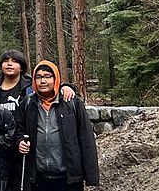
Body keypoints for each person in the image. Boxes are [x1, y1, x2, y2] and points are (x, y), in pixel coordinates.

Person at [0, 52, 76, 188]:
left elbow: (49, 86)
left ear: (22, 66)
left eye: (14, 61)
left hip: (25, 153)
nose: (9, 64)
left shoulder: (30, 87)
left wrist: (66, 87)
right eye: (6, 61)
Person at [15, 61, 99, 191]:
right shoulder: (28, 104)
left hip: (68, 179)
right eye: (38, 77)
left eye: (48, 76)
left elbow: (86, 139)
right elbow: (19, 129)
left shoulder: (71, 103)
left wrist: (91, 176)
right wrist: (20, 141)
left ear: (56, 78)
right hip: (38, 178)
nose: (43, 81)